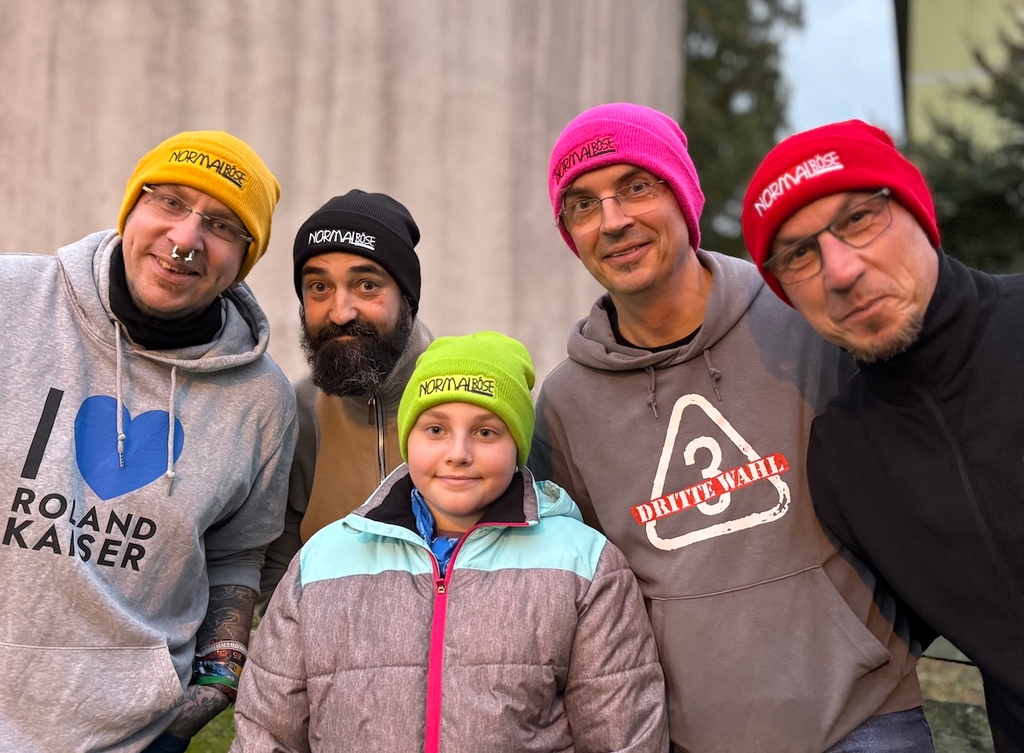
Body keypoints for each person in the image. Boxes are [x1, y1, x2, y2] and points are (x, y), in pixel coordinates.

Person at [530, 103, 932, 752]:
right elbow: (579, 586)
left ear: (685, 194)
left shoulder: (804, 320)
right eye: (582, 203)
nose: (613, 220)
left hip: (867, 719)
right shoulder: (565, 402)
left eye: (637, 185)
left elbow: (918, 470)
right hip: (692, 737)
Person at [0, 131, 296, 752]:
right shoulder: (12, 300)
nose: (186, 238)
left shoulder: (262, 398)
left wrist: (213, 685)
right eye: (169, 202)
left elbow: (239, 555)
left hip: (132, 736)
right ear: (131, 208)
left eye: (221, 225)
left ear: (243, 258)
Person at [233, 331, 668, 752]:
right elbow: (267, 732)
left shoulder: (583, 564)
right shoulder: (323, 561)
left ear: (516, 444)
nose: (458, 453)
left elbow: (622, 736)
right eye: (436, 429)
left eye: (485, 432)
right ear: (408, 439)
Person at [741, 119, 1024, 751]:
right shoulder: (843, 461)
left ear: (919, 214)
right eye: (798, 254)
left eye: (860, 219)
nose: (840, 271)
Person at [259, 190, 433, 604]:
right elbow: (274, 575)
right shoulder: (293, 414)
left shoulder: (471, 398)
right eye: (319, 286)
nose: (341, 312)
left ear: (407, 297)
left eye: (367, 285)